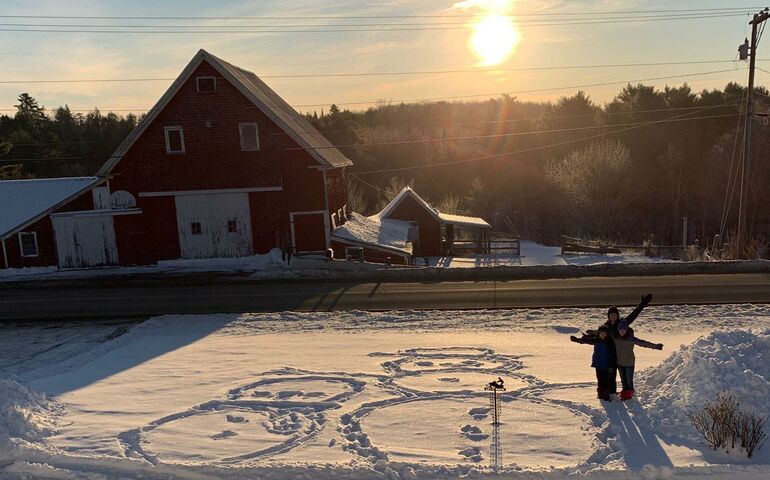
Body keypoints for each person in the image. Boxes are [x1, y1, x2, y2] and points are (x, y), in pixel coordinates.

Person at [613, 320, 663, 401]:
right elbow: (603, 334)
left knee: (629, 381)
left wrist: (655, 346)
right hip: (620, 363)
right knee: (623, 380)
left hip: (629, 363)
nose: (622, 332)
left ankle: (629, 395)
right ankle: (624, 393)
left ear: (626, 330)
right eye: (620, 330)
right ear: (618, 330)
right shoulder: (616, 338)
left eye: (624, 330)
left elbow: (643, 343)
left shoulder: (630, 339)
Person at [570, 325, 616, 402]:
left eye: (604, 333)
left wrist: (612, 366)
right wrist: (576, 340)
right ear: (599, 334)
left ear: (607, 334)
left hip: (606, 365)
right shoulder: (596, 340)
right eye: (601, 333)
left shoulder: (610, 343)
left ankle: (606, 395)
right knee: (599, 379)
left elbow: (613, 355)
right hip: (598, 364)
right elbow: (586, 341)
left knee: (605, 381)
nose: (603, 335)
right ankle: (600, 394)